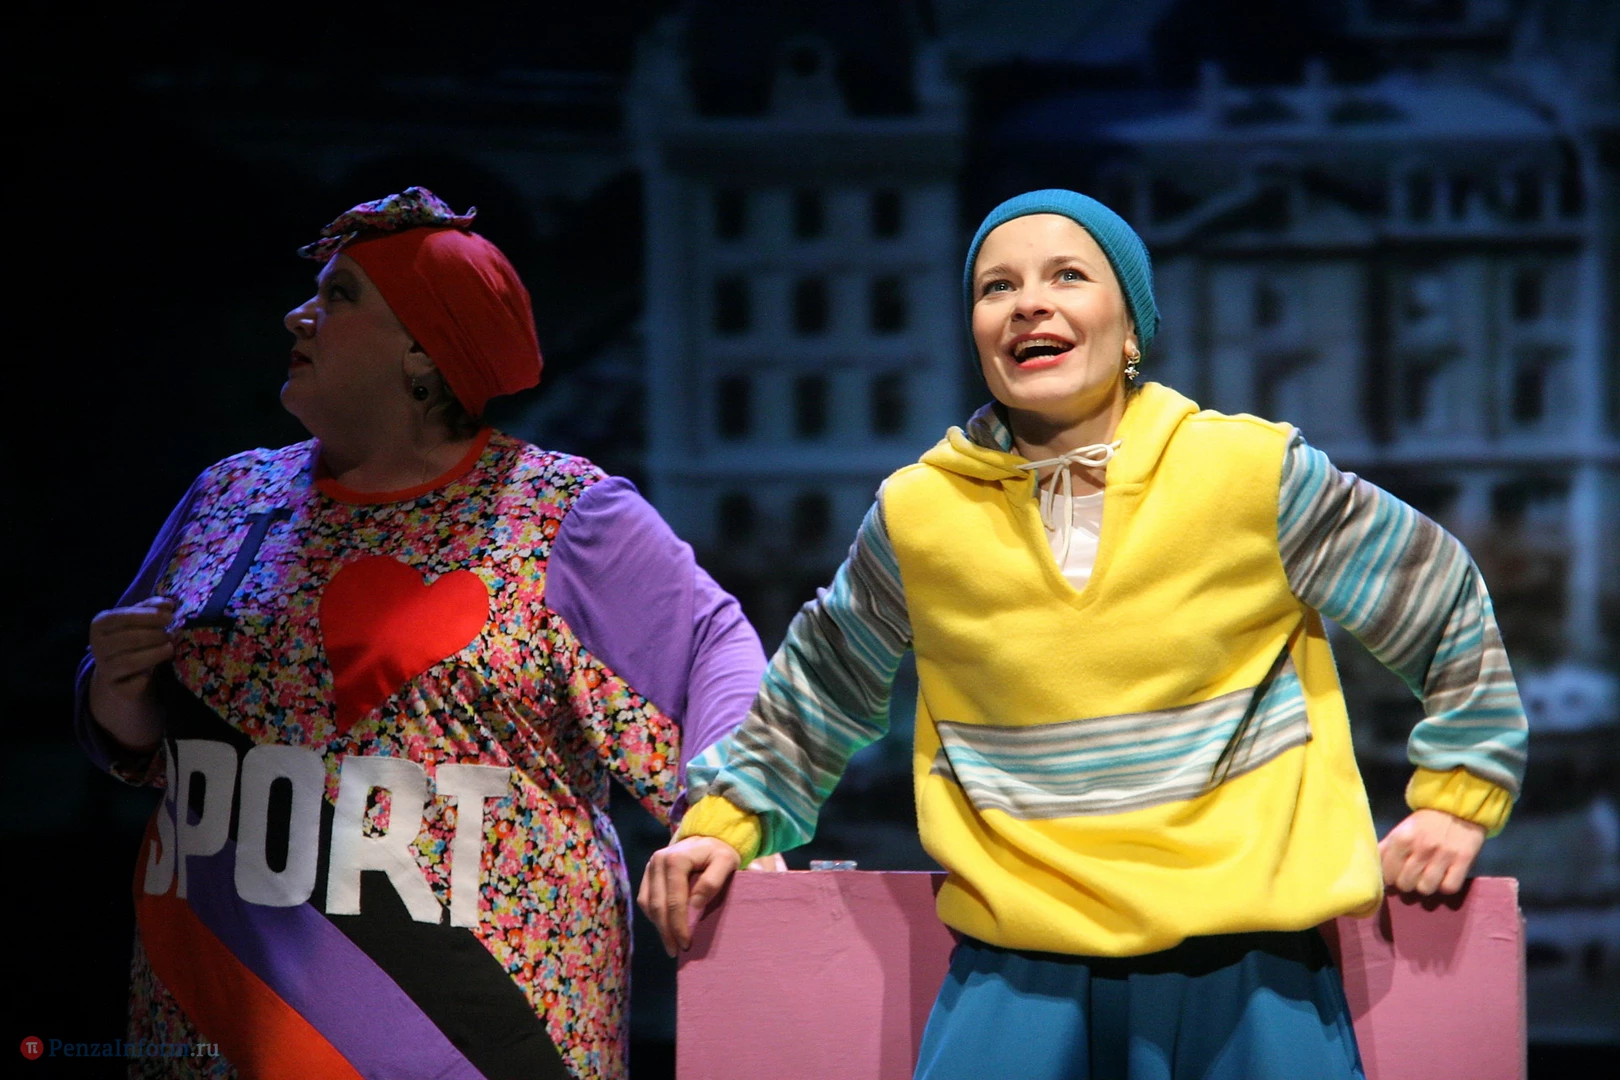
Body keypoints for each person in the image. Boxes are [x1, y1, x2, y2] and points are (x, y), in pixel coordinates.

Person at [639, 189, 1528, 1079]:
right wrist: (726, 822)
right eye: (997, 287)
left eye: (1067, 275)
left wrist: (1460, 790)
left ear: (1132, 326)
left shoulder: (1249, 472)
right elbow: (824, 685)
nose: (1029, 302)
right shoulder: (920, 514)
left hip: (1252, 969)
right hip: (1018, 969)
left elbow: (1437, 593)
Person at [77, 187, 767, 1080]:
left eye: (340, 295)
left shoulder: (558, 513)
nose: (299, 315)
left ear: (421, 348)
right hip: (215, 1012)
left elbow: (715, 652)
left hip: (461, 1023)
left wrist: (722, 820)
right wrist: (117, 690)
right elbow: (129, 733)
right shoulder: (229, 496)